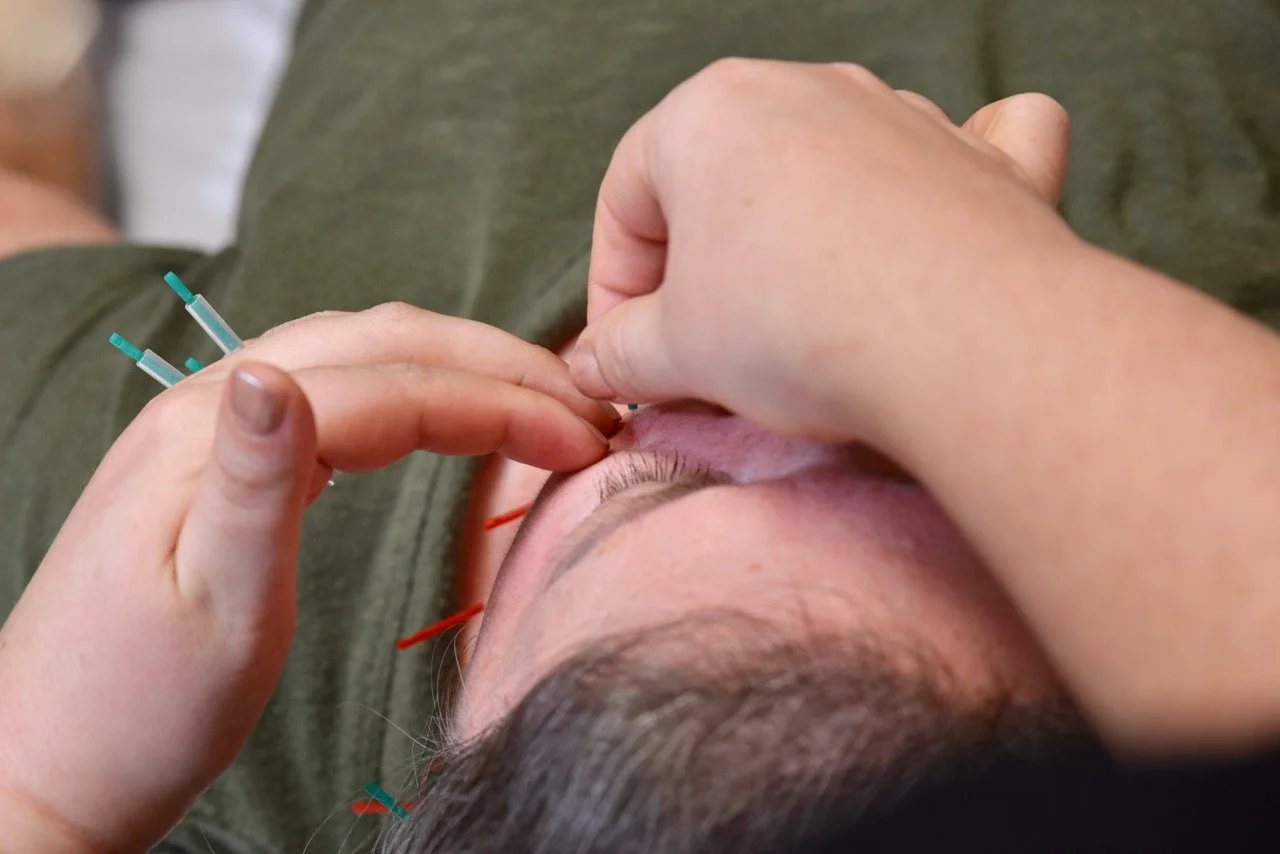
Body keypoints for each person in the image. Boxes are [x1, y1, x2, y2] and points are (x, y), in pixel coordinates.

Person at [2, 2, 1280, 853]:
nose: (780, 394)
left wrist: (39, 790)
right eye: (930, 452)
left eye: (651, 474)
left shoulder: (170, 576)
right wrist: (949, 285)